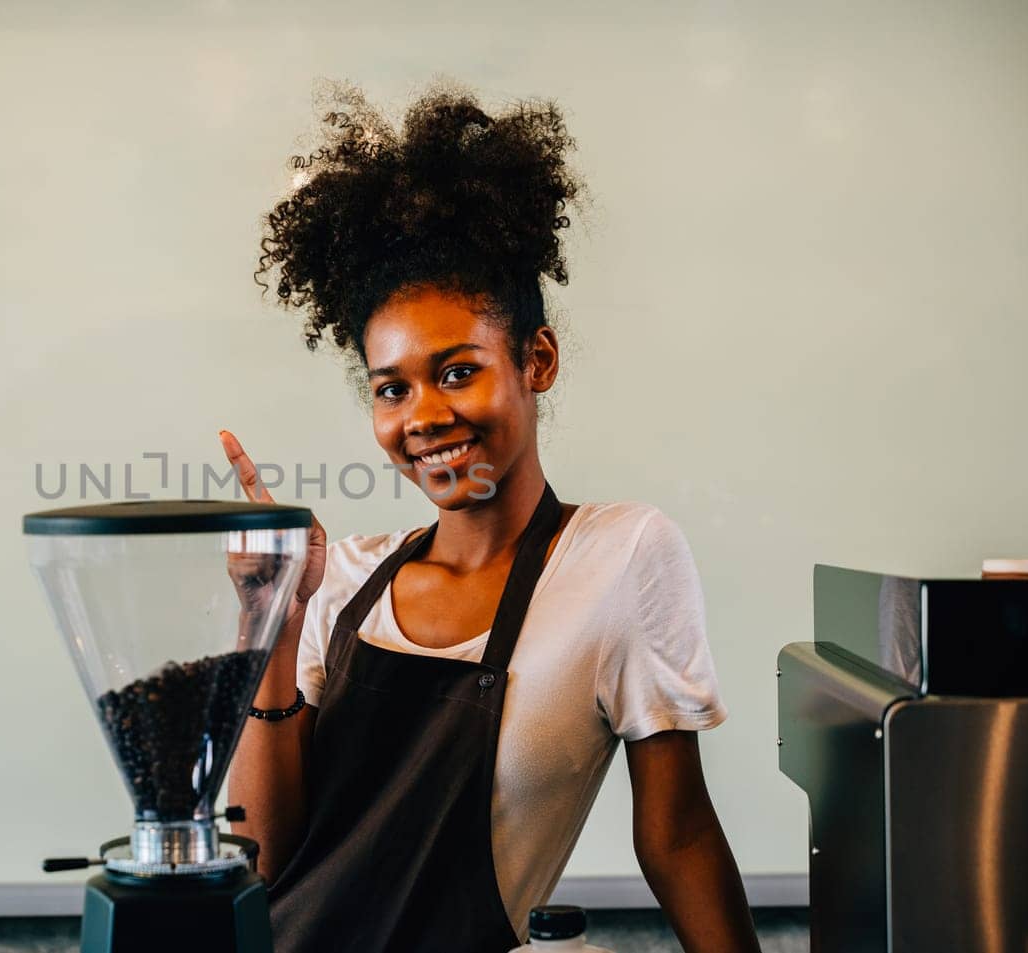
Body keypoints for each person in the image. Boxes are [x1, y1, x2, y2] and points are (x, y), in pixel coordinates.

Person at [220, 82, 761, 953]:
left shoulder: (619, 558)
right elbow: (260, 865)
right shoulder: (343, 581)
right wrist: (272, 626)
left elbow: (678, 836)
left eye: (458, 370)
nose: (423, 413)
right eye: (392, 387)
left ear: (535, 359)